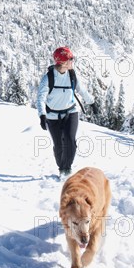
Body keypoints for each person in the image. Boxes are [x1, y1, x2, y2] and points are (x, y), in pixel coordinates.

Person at [36, 46, 96, 178]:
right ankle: (61, 166)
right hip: (53, 116)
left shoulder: (72, 75)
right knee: (58, 145)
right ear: (62, 62)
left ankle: (66, 169)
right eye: (70, 59)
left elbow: (82, 90)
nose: (72, 61)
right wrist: (42, 115)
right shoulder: (49, 78)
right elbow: (40, 98)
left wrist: (92, 103)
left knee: (70, 141)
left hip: (71, 112)